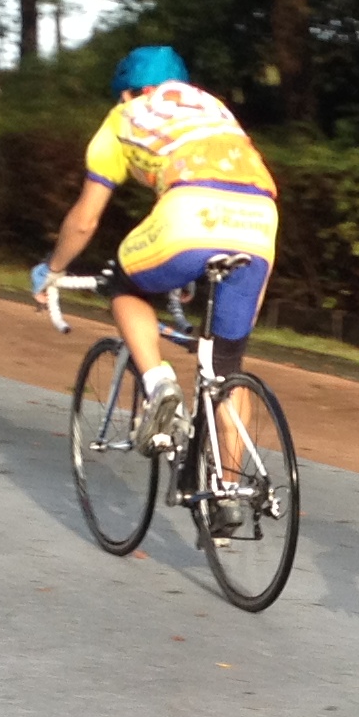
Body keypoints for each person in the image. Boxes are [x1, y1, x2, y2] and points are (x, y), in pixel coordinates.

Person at [32, 46, 279, 450]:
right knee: (225, 367)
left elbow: (84, 220)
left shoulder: (125, 115)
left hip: (190, 211)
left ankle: (158, 383)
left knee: (120, 283)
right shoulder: (214, 108)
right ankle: (229, 484)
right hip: (260, 218)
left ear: (130, 92)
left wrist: (53, 269)